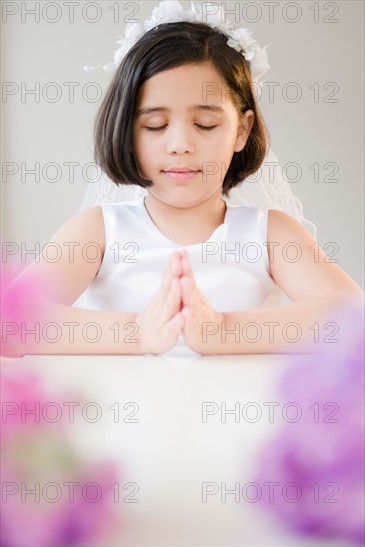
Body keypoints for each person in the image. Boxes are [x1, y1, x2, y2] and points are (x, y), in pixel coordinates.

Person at [2, 2, 363, 358]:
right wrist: (138, 333)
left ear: (242, 129)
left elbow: (352, 318)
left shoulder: (270, 234)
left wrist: (222, 330)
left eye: (205, 125)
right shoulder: (100, 230)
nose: (180, 146)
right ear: (127, 132)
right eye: (155, 126)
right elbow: (11, 325)